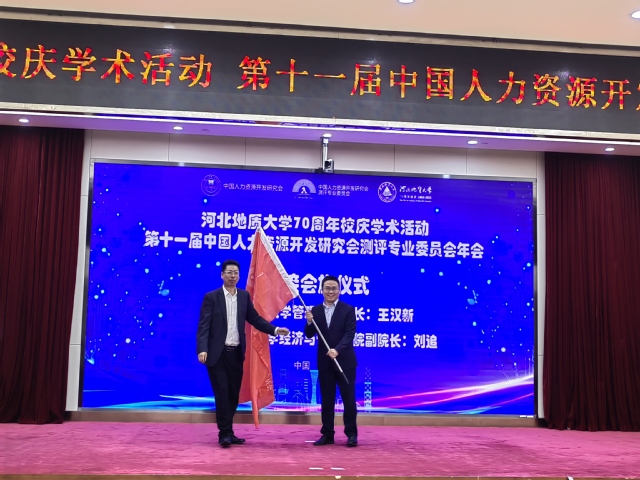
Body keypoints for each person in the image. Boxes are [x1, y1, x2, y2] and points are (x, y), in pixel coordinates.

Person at [197, 259, 290, 447]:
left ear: (239, 276)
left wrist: (274, 330)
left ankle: (229, 431)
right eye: (229, 272)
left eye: (236, 273)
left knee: (233, 394)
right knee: (222, 393)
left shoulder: (244, 297)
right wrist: (202, 349)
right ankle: (224, 433)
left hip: (236, 354)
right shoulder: (211, 297)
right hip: (217, 354)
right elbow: (204, 326)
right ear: (222, 275)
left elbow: (255, 319)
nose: (233, 276)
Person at [305, 275, 358, 447]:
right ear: (322, 290)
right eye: (327, 288)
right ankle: (327, 434)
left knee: (348, 399)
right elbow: (309, 334)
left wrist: (337, 349)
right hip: (325, 362)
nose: (331, 291)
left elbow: (349, 334)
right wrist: (309, 322)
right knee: (327, 400)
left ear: (339, 290)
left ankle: (351, 434)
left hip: (345, 362)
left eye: (334, 288)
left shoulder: (348, 309)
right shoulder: (316, 310)